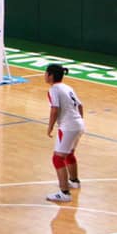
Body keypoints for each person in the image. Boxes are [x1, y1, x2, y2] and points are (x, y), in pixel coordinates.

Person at [44, 64, 85, 203]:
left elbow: (55, 109)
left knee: (57, 158)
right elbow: (80, 105)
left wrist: (49, 127)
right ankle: (74, 181)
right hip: (78, 124)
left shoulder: (54, 89)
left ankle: (64, 193)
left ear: (50, 75)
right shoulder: (68, 87)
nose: (44, 75)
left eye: (46, 73)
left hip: (67, 127)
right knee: (69, 154)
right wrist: (79, 121)